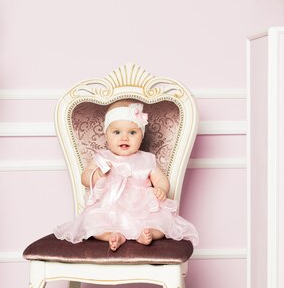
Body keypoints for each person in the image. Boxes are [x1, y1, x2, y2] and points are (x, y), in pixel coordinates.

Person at [54, 100, 198, 251]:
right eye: (117, 132)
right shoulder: (103, 157)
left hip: (142, 209)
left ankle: (144, 234)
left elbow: (161, 179)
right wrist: (97, 174)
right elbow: (85, 178)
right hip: (109, 208)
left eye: (132, 132)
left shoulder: (147, 159)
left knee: (162, 223)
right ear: (106, 135)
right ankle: (113, 235)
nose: (124, 138)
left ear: (141, 136)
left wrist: (161, 189)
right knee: (91, 221)